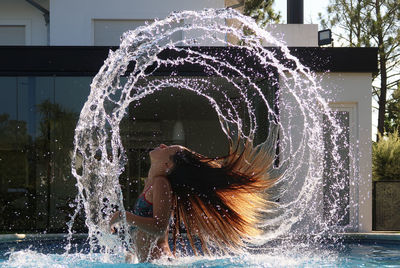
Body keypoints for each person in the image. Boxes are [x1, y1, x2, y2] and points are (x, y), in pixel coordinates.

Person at [109, 138, 278, 262]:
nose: (162, 145)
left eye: (167, 149)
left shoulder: (161, 184)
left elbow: (159, 227)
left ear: (168, 165)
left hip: (159, 263)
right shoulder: (152, 183)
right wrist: (131, 254)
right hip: (152, 262)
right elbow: (144, 231)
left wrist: (124, 216)